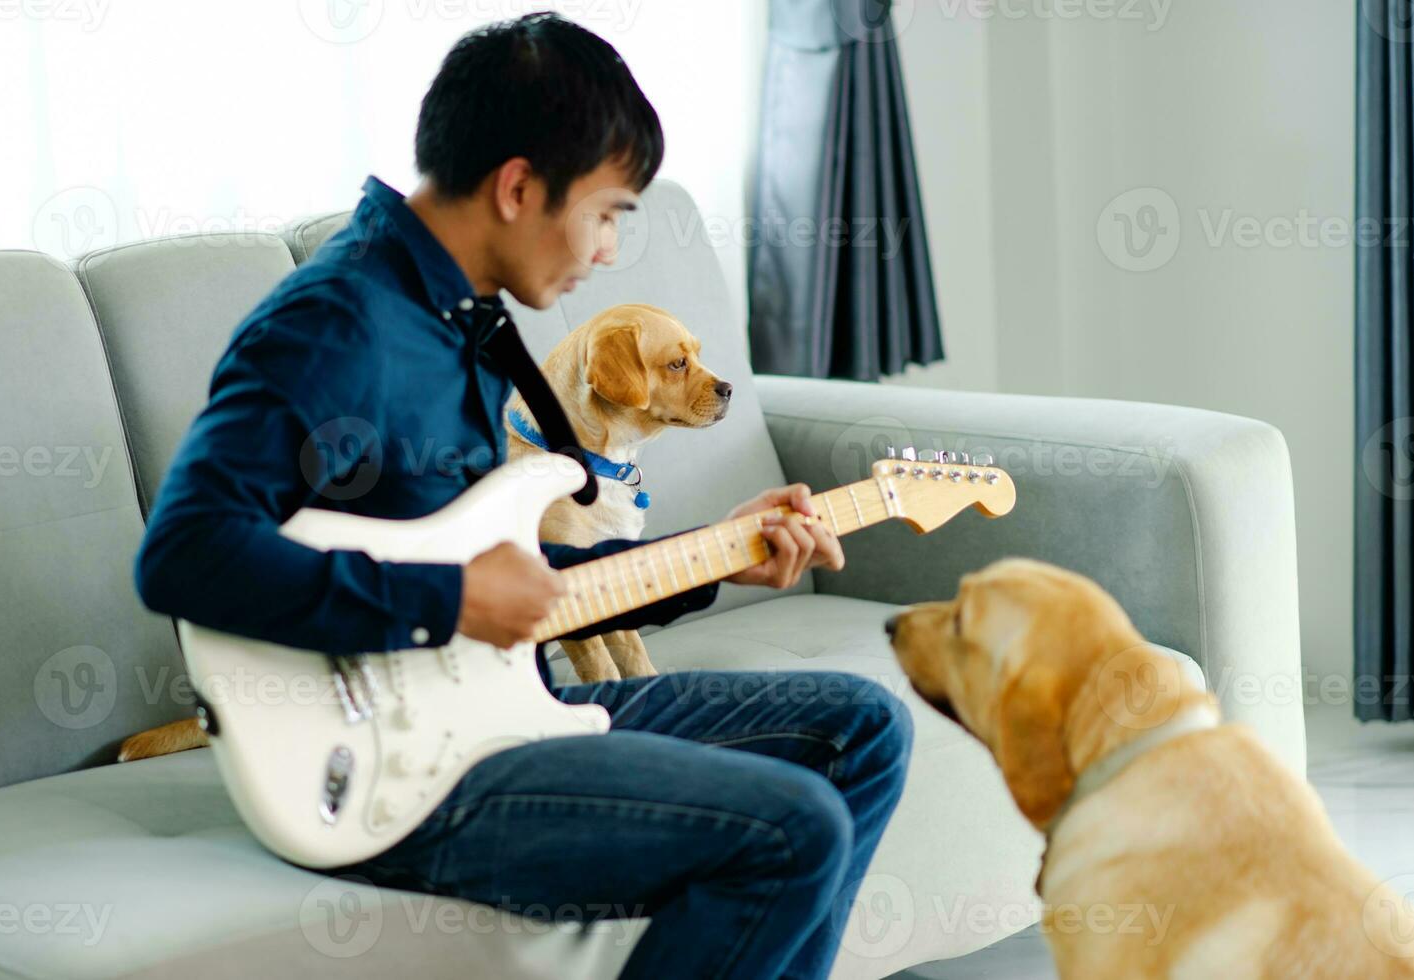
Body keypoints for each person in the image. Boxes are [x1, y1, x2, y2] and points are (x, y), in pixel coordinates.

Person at [134, 13, 913, 978]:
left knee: (864, 730)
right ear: (517, 187)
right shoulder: (333, 326)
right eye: (608, 213)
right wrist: (451, 602)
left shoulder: (465, 328)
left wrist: (719, 555)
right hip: (401, 779)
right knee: (790, 826)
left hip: (514, 710)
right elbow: (185, 553)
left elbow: (521, 577)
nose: (608, 251)